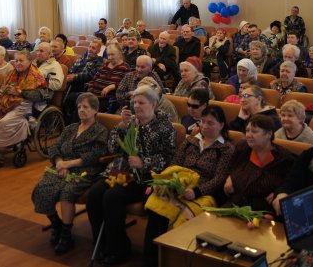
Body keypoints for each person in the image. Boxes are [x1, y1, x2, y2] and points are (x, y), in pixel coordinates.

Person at [87, 85, 176, 266]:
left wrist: (144, 163)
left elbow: (168, 158)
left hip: (145, 177)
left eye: (141, 102)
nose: (136, 106)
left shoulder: (165, 126)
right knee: (95, 194)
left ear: (154, 104)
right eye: (134, 102)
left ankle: (119, 248)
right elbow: (113, 148)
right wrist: (121, 126)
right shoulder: (131, 123)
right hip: (121, 171)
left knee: (112, 197)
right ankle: (102, 244)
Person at [143, 105, 234, 267]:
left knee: (184, 219)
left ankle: (175, 261)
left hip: (204, 191)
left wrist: (196, 191)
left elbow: (219, 178)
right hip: (180, 184)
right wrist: (163, 181)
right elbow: (174, 164)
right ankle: (150, 260)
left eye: (210, 123)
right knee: (157, 211)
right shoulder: (191, 141)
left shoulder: (225, 148)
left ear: (221, 125)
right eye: (203, 122)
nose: (205, 126)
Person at [32, 93, 108, 255]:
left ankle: (66, 235)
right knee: (41, 188)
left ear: (95, 110)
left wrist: (69, 163)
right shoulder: (70, 128)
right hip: (61, 167)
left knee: (67, 192)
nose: (81, 110)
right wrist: (59, 162)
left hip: (84, 170)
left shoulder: (99, 131)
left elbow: (95, 155)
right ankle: (57, 224)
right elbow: (55, 147)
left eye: (86, 107)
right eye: (79, 107)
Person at [0, 50, 48, 172]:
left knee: (3, 123)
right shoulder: (11, 73)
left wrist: (20, 92)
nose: (18, 63)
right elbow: (2, 86)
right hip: (5, 103)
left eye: (21, 60)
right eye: (16, 60)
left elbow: (44, 94)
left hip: (24, 106)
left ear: (29, 61)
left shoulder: (36, 75)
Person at [225, 114, 296, 210]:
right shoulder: (242, 147)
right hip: (236, 204)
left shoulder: (284, 159)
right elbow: (231, 167)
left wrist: (278, 192)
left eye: (254, 131)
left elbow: (291, 183)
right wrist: (230, 177)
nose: (248, 135)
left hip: (263, 209)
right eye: (247, 130)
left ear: (269, 134)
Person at [87, 43, 130, 113]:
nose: (109, 57)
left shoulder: (125, 67)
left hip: (107, 99)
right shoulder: (105, 65)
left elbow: (126, 84)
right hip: (93, 96)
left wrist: (113, 86)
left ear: (119, 54)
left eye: (112, 54)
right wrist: (90, 92)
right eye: (108, 55)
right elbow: (93, 80)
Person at [64, 40, 104, 115]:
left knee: (71, 98)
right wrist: (70, 76)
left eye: (93, 48)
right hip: (71, 85)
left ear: (98, 51)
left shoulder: (99, 61)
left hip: (84, 87)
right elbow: (71, 71)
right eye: (89, 47)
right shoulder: (80, 59)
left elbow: (92, 75)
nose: (90, 49)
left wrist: (75, 77)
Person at [32, 42, 64, 113]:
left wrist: (42, 81)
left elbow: (57, 84)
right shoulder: (33, 63)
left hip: (43, 94)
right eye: (37, 50)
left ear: (50, 54)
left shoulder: (55, 65)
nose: (38, 53)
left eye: (42, 51)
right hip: (30, 89)